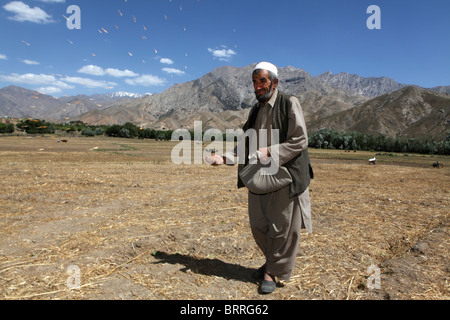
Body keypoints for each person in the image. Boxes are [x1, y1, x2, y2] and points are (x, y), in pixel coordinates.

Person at [207, 62, 313, 294]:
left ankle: (271, 273)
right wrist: (225, 158)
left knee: (282, 228)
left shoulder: (289, 103)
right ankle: (272, 262)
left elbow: (299, 140)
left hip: (285, 175)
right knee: (259, 225)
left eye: (262, 81)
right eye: (254, 82)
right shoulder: (255, 110)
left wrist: (269, 152)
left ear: (274, 82)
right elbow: (246, 142)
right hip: (260, 176)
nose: (257, 86)